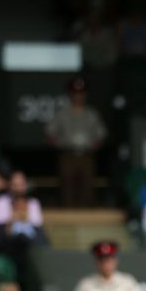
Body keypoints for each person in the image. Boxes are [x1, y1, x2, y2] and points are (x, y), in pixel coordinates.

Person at [45, 77, 106, 206]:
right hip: (68, 154)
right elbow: (50, 133)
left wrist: (93, 146)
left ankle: (87, 216)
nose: (78, 96)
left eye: (81, 93)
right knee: (67, 187)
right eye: (75, 93)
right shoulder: (62, 113)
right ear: (70, 94)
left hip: (86, 155)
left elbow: (101, 134)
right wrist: (59, 145)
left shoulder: (91, 114)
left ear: (85, 94)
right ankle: (67, 215)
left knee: (87, 186)